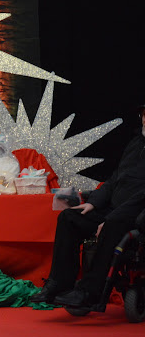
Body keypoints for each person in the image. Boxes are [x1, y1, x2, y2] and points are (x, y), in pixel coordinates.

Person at [30, 104, 145, 308]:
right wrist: (93, 203)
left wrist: (110, 218)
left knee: (112, 226)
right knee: (68, 217)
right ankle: (59, 284)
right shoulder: (136, 143)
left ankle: (89, 291)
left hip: (135, 213)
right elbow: (114, 179)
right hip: (113, 208)